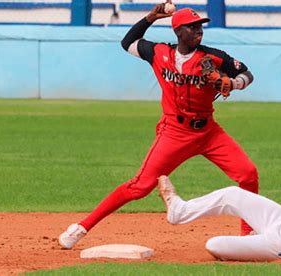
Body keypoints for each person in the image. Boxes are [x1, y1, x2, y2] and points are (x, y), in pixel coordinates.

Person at [58, 2, 258, 249]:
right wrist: (150, 17)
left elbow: (248, 73)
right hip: (174, 132)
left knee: (248, 174)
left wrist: (235, 83)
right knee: (139, 187)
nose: (198, 30)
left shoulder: (214, 58)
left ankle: (248, 235)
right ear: (178, 31)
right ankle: (81, 227)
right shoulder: (159, 53)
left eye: (200, 26)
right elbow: (128, 42)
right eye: (192, 27)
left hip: (209, 132)